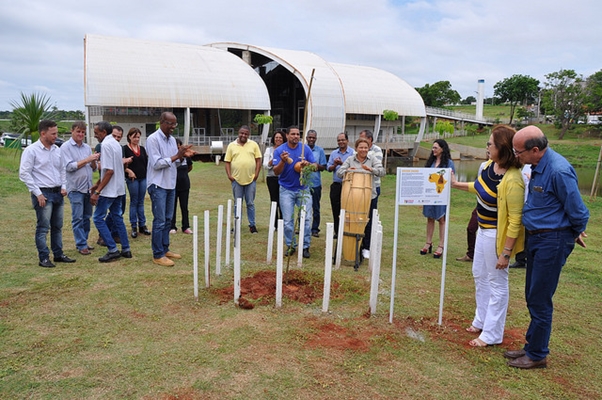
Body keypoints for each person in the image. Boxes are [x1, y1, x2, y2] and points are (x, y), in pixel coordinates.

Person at [504, 126, 589, 369]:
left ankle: (537, 354)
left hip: (552, 241)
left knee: (540, 299)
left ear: (535, 150)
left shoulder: (558, 171)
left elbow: (578, 211)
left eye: (517, 151)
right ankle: (531, 346)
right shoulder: (536, 166)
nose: (515, 155)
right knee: (533, 294)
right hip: (537, 239)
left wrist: (571, 233)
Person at [452, 125, 525, 347]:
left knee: (497, 282)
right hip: (483, 231)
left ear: (501, 148)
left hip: (497, 235)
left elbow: (515, 220)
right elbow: (479, 187)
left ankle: (492, 334)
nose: (487, 147)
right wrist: (456, 185)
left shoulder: (513, 180)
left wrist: (506, 252)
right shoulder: (488, 167)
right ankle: (481, 319)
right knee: (479, 275)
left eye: (490, 144)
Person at [19, 119, 75, 268]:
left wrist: (64, 186)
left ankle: (58, 254)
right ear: (42, 133)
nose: (56, 136)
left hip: (57, 192)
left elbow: (62, 169)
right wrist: (37, 193)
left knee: (57, 226)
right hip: (43, 193)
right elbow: (24, 173)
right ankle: (44, 257)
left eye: (56, 133)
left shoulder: (57, 150)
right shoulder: (31, 150)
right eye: (53, 133)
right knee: (43, 227)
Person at [146, 112, 193, 267]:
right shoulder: (152, 139)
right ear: (162, 122)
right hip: (158, 184)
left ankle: (165, 249)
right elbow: (157, 163)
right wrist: (176, 155)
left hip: (170, 184)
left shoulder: (172, 140)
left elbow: (174, 163)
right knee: (159, 221)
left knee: (167, 220)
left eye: (175, 124)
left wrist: (183, 156)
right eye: (170, 124)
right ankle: (157, 254)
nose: (173, 127)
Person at [337, 137, 386, 262]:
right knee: (350, 221)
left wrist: (371, 170)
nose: (363, 150)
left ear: (368, 148)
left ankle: (366, 248)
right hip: (351, 196)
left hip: (370, 195)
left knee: (367, 221)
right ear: (356, 148)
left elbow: (382, 172)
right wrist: (348, 170)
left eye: (365, 147)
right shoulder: (350, 159)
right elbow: (339, 172)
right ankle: (350, 247)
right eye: (361, 147)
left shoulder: (372, 159)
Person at [273, 126, 317, 258]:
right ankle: (291, 245)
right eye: (293, 134)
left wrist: (307, 164)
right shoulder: (280, 150)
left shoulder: (305, 149)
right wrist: (282, 160)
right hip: (286, 190)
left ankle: (305, 246)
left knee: (307, 219)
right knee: (287, 221)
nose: (296, 136)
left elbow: (315, 166)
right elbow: (276, 172)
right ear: (287, 136)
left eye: (298, 134)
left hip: (303, 189)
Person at [90, 121, 132, 263]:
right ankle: (126, 249)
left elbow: (109, 171)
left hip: (109, 191)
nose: (95, 135)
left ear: (103, 132)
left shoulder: (106, 145)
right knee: (117, 217)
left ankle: (113, 250)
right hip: (119, 189)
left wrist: (97, 191)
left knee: (97, 218)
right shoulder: (116, 144)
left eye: (96, 133)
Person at [60, 121, 99, 255]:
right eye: (78, 131)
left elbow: (93, 169)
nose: (81, 134)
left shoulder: (87, 147)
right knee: (77, 218)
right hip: (75, 188)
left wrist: (94, 161)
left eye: (83, 132)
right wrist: (88, 159)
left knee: (87, 216)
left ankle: (84, 241)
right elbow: (70, 167)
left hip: (87, 188)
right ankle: (81, 244)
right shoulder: (65, 147)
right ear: (72, 131)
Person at [420, 139, 455, 258]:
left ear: (442, 149)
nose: (433, 150)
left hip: (441, 195)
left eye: (435, 148)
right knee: (429, 218)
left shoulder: (449, 163)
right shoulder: (431, 161)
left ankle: (441, 245)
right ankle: (428, 243)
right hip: (429, 195)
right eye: (433, 147)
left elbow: (451, 180)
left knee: (441, 219)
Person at [225, 125, 262, 233]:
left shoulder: (253, 145)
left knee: (250, 203)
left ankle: (252, 225)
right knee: (237, 203)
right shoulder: (232, 145)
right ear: (238, 133)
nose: (243, 135)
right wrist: (229, 176)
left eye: (246, 133)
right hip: (236, 179)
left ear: (248, 134)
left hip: (251, 179)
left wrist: (256, 174)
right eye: (242, 133)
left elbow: (258, 160)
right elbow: (227, 161)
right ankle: (237, 225)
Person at [358, 130, 384, 259]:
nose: (361, 143)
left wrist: (369, 168)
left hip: (372, 188)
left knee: (370, 217)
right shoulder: (356, 153)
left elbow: (379, 170)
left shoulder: (376, 151)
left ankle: (367, 246)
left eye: (363, 139)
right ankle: (357, 243)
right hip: (357, 190)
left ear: (369, 139)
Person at [456, 161, 487, 262]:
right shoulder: (483, 165)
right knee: (471, 228)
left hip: (494, 207)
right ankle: (471, 254)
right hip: (480, 204)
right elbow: (478, 184)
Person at [123, 127, 151, 238]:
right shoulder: (124, 149)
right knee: (134, 201)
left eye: (138, 137)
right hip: (132, 179)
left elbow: (146, 163)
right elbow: (120, 163)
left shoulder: (142, 149)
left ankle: (142, 225)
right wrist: (128, 171)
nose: (136, 139)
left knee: (141, 201)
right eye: (134, 137)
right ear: (129, 137)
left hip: (143, 178)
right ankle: (133, 226)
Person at [327, 132, 354, 239]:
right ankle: (337, 231)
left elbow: (354, 168)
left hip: (348, 184)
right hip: (337, 184)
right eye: (339, 140)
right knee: (336, 208)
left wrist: (342, 164)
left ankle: (347, 230)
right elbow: (328, 168)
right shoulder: (334, 153)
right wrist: (334, 164)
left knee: (348, 209)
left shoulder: (352, 153)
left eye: (343, 140)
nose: (341, 142)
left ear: (347, 140)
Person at [306, 129, 327, 238]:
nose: (311, 139)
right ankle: (302, 227)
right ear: (306, 138)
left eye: (313, 138)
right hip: (303, 184)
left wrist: (315, 165)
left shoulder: (320, 151)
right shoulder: (302, 150)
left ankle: (315, 229)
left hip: (315, 184)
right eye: (309, 137)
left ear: (316, 139)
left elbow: (324, 167)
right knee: (303, 207)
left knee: (316, 208)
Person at [263, 129, 285, 230]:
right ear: (273, 139)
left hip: (284, 178)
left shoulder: (286, 149)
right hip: (272, 178)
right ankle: (274, 224)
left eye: (280, 137)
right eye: (276, 137)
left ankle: (284, 222)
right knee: (274, 200)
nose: (278, 139)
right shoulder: (269, 150)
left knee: (283, 201)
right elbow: (265, 165)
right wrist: (272, 161)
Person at [170, 138, 193, 234]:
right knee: (172, 206)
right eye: (176, 146)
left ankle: (186, 226)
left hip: (184, 184)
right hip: (173, 185)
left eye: (180, 146)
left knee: (184, 206)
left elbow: (190, 167)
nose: (178, 148)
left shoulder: (187, 157)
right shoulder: (172, 157)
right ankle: (172, 226)